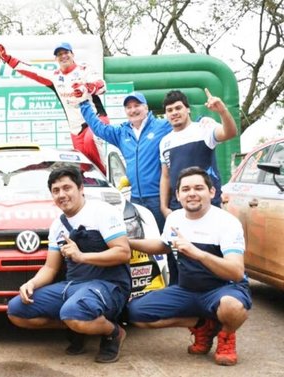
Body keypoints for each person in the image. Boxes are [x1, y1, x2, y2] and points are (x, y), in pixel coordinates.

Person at [128, 167, 251, 366]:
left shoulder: (227, 223)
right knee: (134, 313)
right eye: (185, 189)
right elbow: (162, 246)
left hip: (223, 289)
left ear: (212, 192)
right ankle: (203, 324)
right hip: (187, 290)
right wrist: (128, 242)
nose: (191, 193)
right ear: (177, 195)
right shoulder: (175, 218)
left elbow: (236, 272)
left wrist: (198, 253)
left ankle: (226, 335)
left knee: (232, 307)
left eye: (198, 188)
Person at [7, 165, 131, 363]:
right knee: (17, 311)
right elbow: (51, 268)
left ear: (81, 188)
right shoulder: (58, 225)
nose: (61, 195)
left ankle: (113, 333)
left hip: (107, 284)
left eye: (67, 188)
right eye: (56, 191)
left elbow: (123, 252)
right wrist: (32, 283)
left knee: (74, 313)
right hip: (72, 286)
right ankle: (76, 324)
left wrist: (82, 257)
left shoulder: (102, 211)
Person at [78, 91, 178, 286]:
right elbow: (98, 128)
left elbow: (186, 125)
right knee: (142, 249)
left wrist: (206, 120)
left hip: (159, 199)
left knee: (169, 246)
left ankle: (176, 286)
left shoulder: (162, 126)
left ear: (146, 108)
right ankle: (148, 287)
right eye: (129, 107)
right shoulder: (122, 132)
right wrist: (83, 104)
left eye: (137, 105)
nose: (133, 110)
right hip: (136, 201)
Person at [0, 42, 109, 174]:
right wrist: (8, 59)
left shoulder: (85, 69)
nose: (63, 56)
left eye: (66, 52)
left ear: (72, 54)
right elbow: (30, 70)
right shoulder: (54, 77)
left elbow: (102, 86)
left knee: (91, 141)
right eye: (59, 54)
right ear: (56, 59)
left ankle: (106, 183)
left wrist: (87, 87)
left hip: (95, 120)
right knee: (84, 167)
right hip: (75, 128)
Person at [159, 89, 237, 217]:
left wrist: (222, 111)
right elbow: (166, 176)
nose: (174, 113)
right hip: (178, 208)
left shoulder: (204, 128)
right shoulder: (164, 141)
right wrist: (164, 207)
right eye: (170, 110)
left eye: (178, 108)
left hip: (208, 206)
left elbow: (230, 133)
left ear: (188, 109)